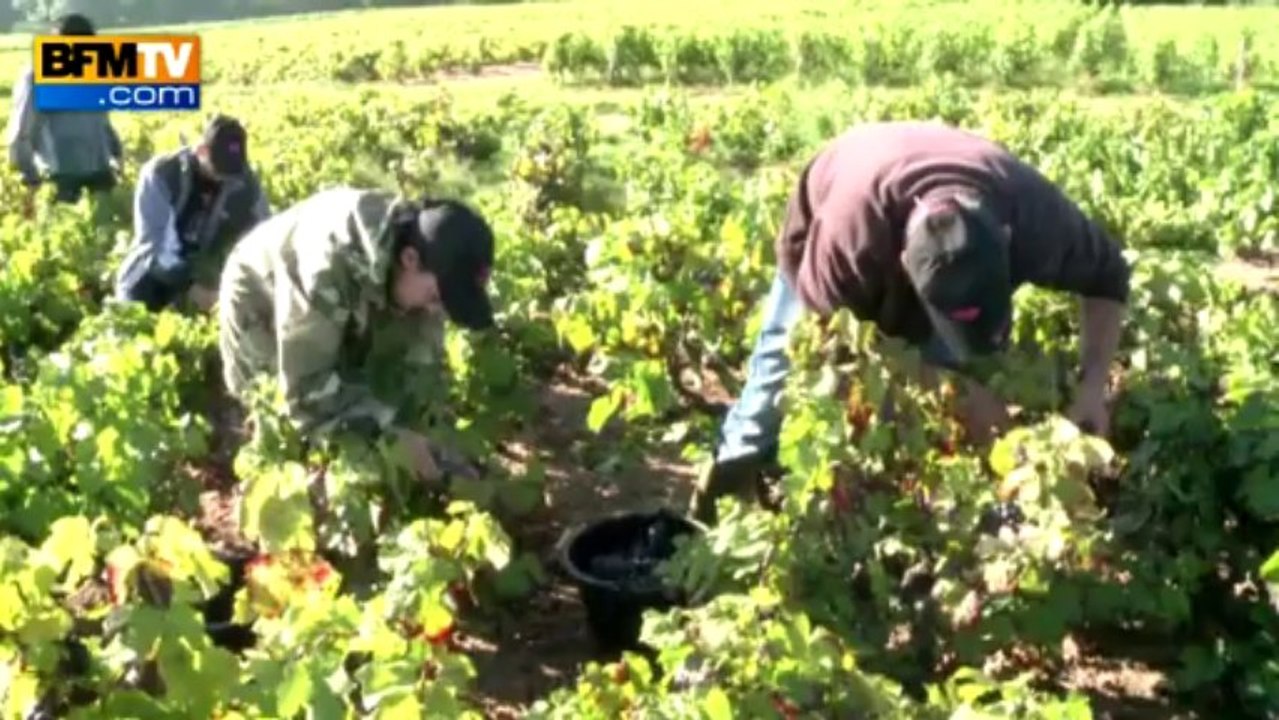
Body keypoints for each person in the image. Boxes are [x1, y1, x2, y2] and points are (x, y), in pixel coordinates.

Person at [691, 121, 1131, 522]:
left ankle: (938, 513)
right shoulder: (848, 240)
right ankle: (710, 520)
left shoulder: (1035, 217)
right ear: (904, 262)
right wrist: (948, 387)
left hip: (924, 176)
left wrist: (1092, 386)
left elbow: (1108, 277)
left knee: (948, 409)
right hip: (841, 192)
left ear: (1008, 241)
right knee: (771, 396)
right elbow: (828, 354)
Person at [217, 187, 496, 484]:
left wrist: (435, 438)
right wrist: (389, 436)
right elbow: (307, 394)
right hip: (261, 296)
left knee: (370, 389)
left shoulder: (424, 270)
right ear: (410, 258)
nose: (435, 311)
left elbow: (422, 369)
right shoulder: (324, 270)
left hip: (352, 291)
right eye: (435, 298)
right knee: (277, 415)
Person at [114, 115, 271, 312]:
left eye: (232, 172)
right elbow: (156, 250)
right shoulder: (162, 175)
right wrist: (195, 291)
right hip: (150, 280)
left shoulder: (244, 182)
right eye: (220, 169)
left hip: (207, 278)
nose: (225, 178)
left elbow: (266, 238)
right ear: (201, 151)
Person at [4, 13, 122, 206]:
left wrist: (117, 153)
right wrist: (31, 178)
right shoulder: (37, 78)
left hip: (100, 175)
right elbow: (22, 133)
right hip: (59, 178)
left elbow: (103, 123)